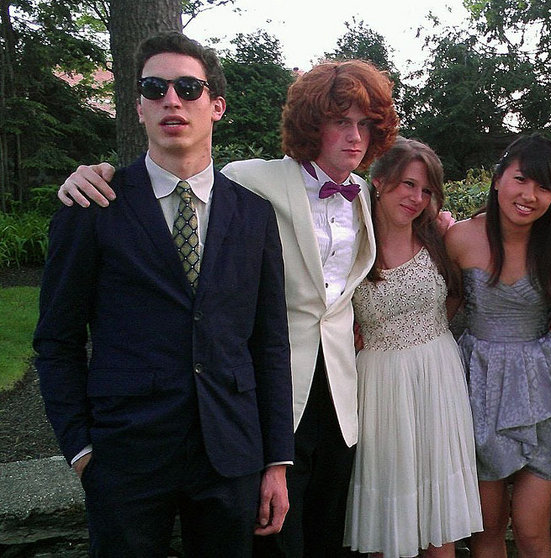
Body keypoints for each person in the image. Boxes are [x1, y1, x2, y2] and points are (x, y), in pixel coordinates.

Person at [57, 58, 399, 557]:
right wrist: (93, 174)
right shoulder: (251, 181)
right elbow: (182, 173)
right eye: (341, 121)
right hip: (266, 392)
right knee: (277, 540)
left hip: (341, 391)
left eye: (366, 125)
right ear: (311, 123)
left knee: (330, 530)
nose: (355, 136)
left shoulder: (363, 195)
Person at [34, 31, 293, 557]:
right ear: (138, 107)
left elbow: (269, 344)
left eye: (187, 88)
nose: (171, 100)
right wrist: (81, 449)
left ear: (215, 106)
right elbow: (56, 341)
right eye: (155, 88)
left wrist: (276, 462)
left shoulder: (254, 215)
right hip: (126, 457)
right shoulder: (93, 206)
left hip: (230, 454)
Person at [344, 138, 483, 557]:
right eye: (408, 185)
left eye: (425, 190)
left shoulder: (439, 237)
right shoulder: (350, 244)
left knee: (440, 528)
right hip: (381, 387)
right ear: (379, 181)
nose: (417, 198)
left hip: (438, 377)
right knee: (388, 523)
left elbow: (455, 295)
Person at [445, 135, 551, 557]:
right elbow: (438, 308)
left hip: (541, 389)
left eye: (544, 187)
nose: (529, 196)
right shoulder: (460, 237)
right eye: (520, 180)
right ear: (498, 179)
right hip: (478, 388)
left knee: (534, 530)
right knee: (487, 532)